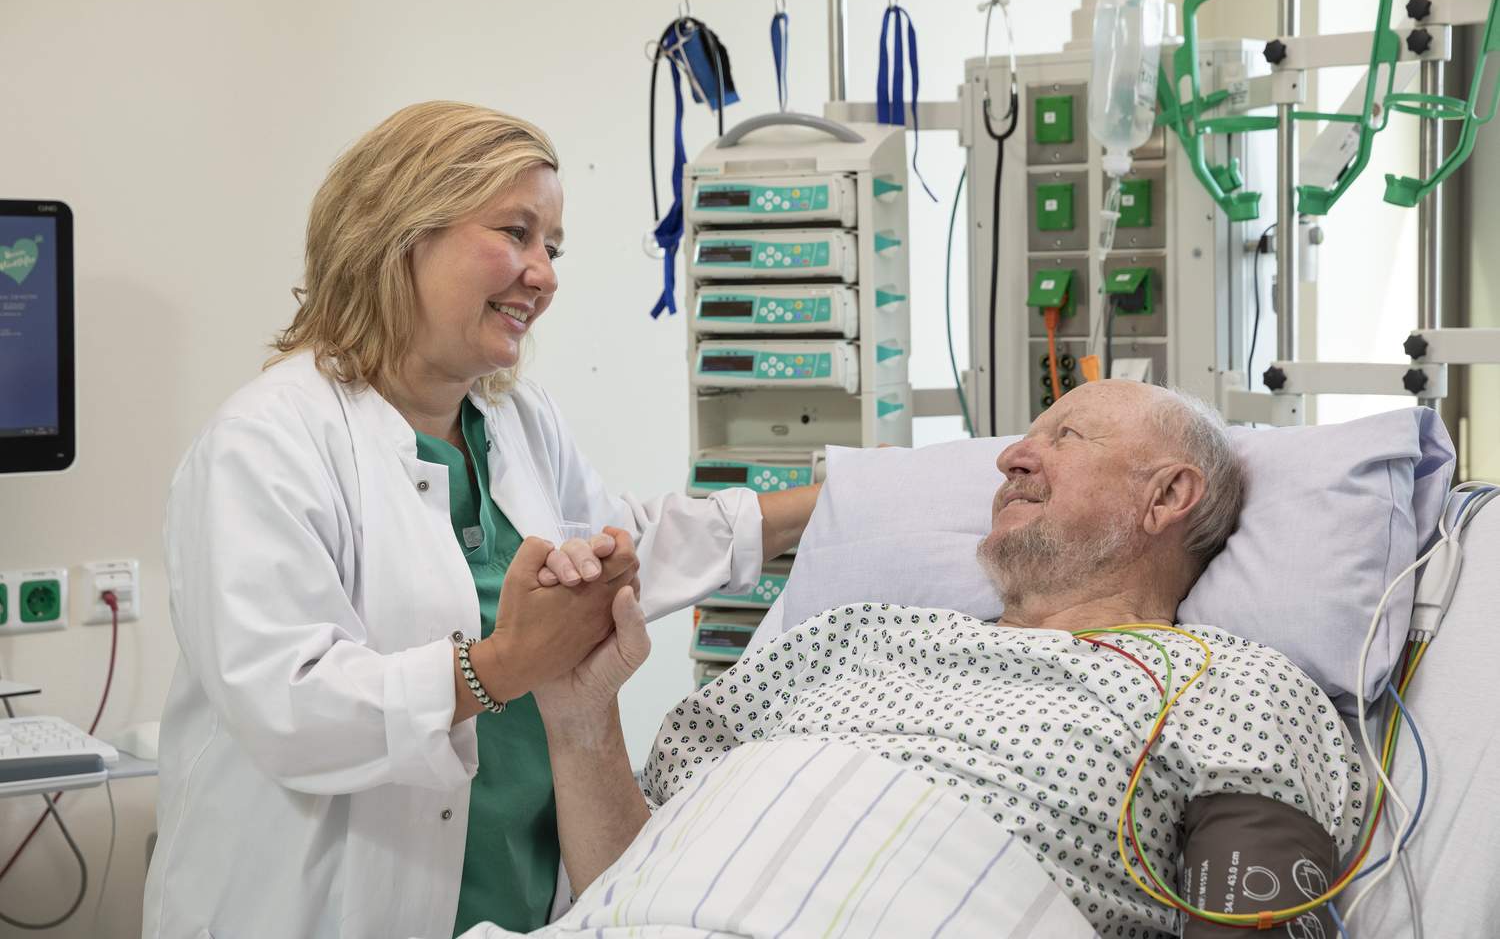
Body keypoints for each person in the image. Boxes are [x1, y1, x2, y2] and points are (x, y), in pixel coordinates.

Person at [142, 101, 820, 939]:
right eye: (517, 233)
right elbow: (292, 709)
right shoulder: (265, 444)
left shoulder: (514, 418)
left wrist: (830, 504)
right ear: (400, 233)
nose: (545, 274)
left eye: (553, 247)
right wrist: (502, 664)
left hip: (519, 902)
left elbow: (618, 547)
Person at [472, 381, 1367, 939]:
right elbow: (630, 884)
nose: (1011, 457)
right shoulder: (844, 638)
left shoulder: (1225, 684)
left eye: (1066, 437)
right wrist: (581, 715)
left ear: (1168, 496)